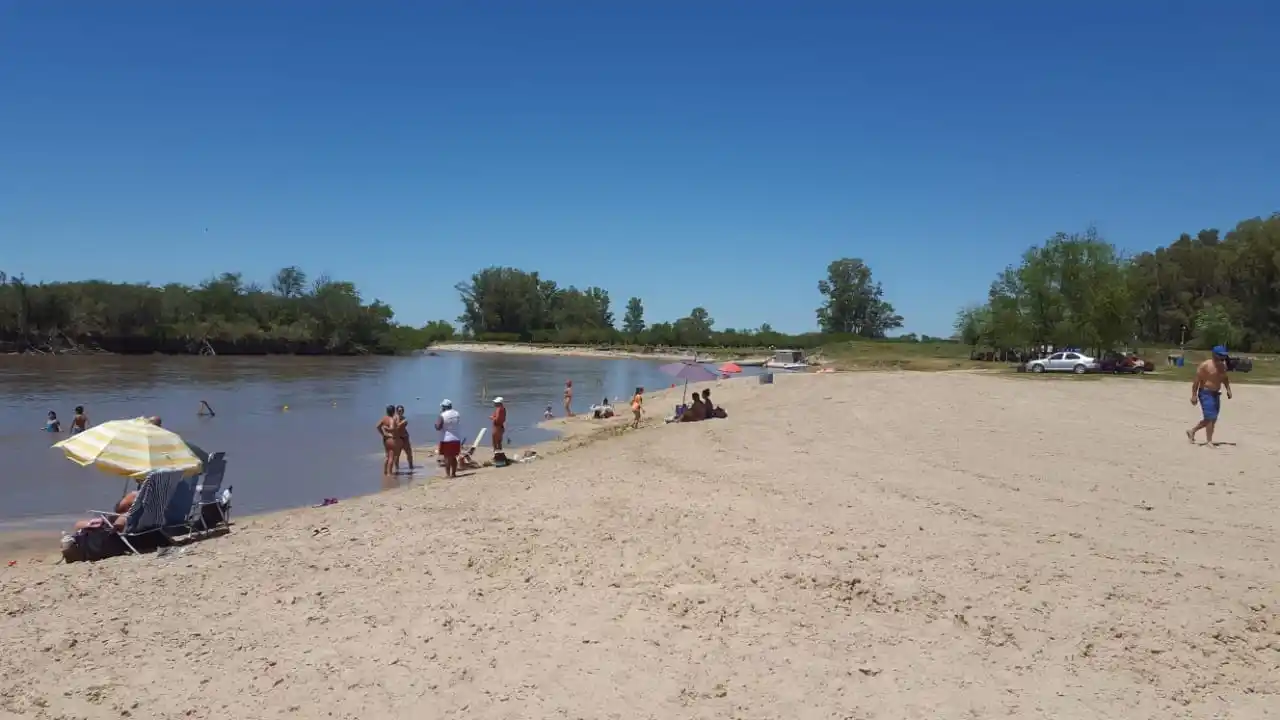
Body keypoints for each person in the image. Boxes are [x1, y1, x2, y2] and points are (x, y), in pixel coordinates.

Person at [1188, 345, 1233, 446]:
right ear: (1214, 355)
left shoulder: (1223, 366)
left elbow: (1225, 378)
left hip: (1216, 394)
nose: (1223, 358)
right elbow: (1196, 381)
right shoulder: (1205, 365)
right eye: (1220, 356)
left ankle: (1192, 431)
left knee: (1212, 418)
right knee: (1210, 417)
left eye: (1224, 356)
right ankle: (1209, 441)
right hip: (1205, 393)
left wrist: (1228, 390)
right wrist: (1194, 395)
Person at [434, 399, 462, 478]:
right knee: (453, 456)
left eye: (442, 407)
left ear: (444, 407)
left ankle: (448, 474)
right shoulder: (457, 413)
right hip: (456, 438)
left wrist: (435, 424)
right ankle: (453, 473)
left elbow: (438, 427)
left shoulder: (442, 415)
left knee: (447, 457)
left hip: (446, 439)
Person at [376, 405, 401, 475]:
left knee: (387, 456)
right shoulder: (391, 419)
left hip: (385, 439)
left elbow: (377, 426)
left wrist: (383, 433)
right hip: (391, 439)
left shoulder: (384, 418)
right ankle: (390, 473)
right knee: (391, 457)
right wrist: (387, 430)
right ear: (393, 412)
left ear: (386, 411)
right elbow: (392, 428)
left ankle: (385, 472)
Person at [395, 405, 414, 471]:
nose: (401, 412)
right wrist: (401, 423)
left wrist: (402, 423)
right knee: (397, 455)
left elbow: (403, 427)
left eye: (402, 410)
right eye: (399, 411)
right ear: (397, 411)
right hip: (398, 439)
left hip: (405, 438)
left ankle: (411, 467)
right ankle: (397, 469)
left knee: (409, 453)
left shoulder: (404, 418)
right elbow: (396, 428)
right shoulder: (394, 419)